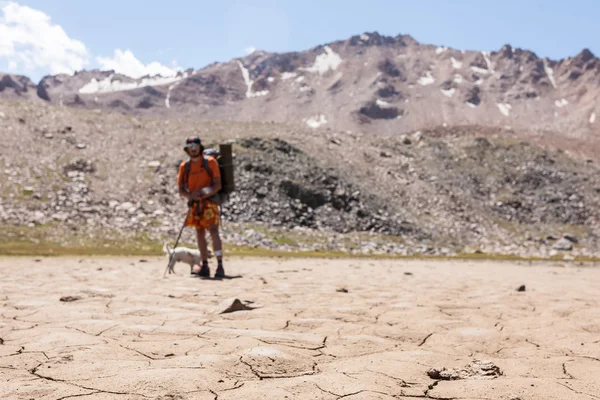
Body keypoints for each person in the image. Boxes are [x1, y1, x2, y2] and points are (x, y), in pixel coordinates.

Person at [177, 136, 225, 278]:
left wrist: (203, 193)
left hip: (209, 202)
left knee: (213, 230)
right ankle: (204, 265)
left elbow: (217, 185)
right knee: (199, 232)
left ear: (200, 148)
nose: (193, 150)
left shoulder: (210, 162)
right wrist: (190, 196)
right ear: (187, 150)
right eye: (190, 148)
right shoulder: (184, 166)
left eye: (195, 148)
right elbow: (181, 189)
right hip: (195, 204)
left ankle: (220, 265)